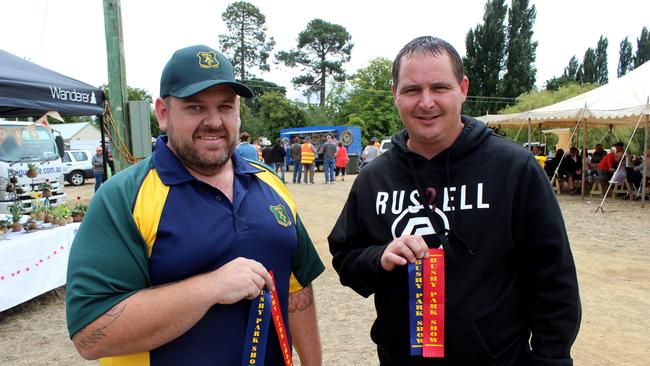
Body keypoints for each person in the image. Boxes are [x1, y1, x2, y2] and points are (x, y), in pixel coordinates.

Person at [66, 44, 325, 365]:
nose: (214, 121)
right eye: (195, 107)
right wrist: (210, 288)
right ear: (163, 113)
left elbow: (296, 287)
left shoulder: (270, 183)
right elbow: (90, 335)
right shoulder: (123, 197)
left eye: (226, 106)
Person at [328, 36, 580, 365]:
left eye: (439, 88)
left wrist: (550, 360)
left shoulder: (513, 168)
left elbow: (553, 279)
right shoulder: (373, 179)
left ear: (462, 89)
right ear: (395, 95)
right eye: (412, 90)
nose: (426, 102)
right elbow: (347, 260)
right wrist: (380, 258)